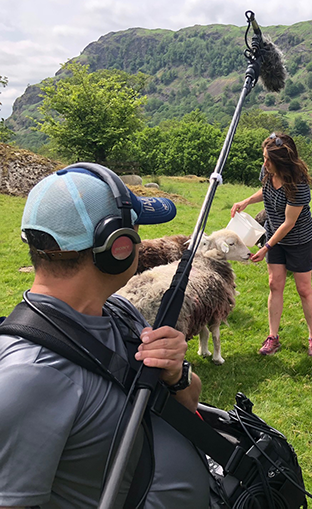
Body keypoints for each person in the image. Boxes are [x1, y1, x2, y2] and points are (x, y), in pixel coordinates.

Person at [0, 164, 210, 508]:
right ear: (117, 247)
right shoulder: (30, 377)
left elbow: (190, 403)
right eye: (137, 232)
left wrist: (176, 375)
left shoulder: (119, 313)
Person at [231, 132, 312, 357]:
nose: (264, 163)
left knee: (304, 289)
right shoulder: (267, 172)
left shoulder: (298, 185)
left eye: (269, 160)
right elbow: (266, 191)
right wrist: (247, 201)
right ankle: (273, 337)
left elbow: (289, 223)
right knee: (274, 284)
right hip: (274, 236)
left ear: (282, 162)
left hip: (299, 239)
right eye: (264, 158)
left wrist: (266, 247)